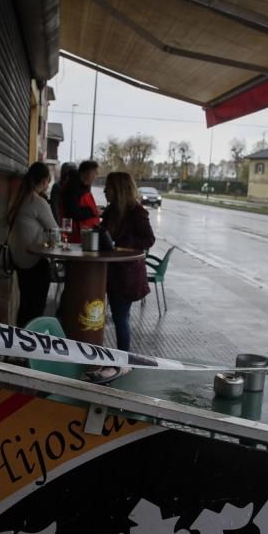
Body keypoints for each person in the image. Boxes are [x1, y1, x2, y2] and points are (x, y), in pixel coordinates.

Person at [88, 172, 155, 382]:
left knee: (120, 317)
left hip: (127, 274)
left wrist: (122, 246)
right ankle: (118, 359)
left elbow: (148, 239)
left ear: (118, 189)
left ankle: (124, 361)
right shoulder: (111, 211)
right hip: (110, 272)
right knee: (117, 316)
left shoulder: (136, 212)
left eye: (108, 187)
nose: (105, 190)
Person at [8, 162, 58, 327]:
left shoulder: (18, 198)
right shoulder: (37, 201)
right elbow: (54, 231)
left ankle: (21, 342)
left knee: (25, 305)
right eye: (48, 180)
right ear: (44, 180)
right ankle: (31, 345)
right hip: (34, 261)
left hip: (19, 260)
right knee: (36, 308)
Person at [60, 160, 101, 243]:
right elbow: (73, 212)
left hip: (82, 234)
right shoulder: (73, 187)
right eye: (95, 173)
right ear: (87, 172)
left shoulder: (81, 185)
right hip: (76, 235)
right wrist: (92, 211)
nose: (96, 176)